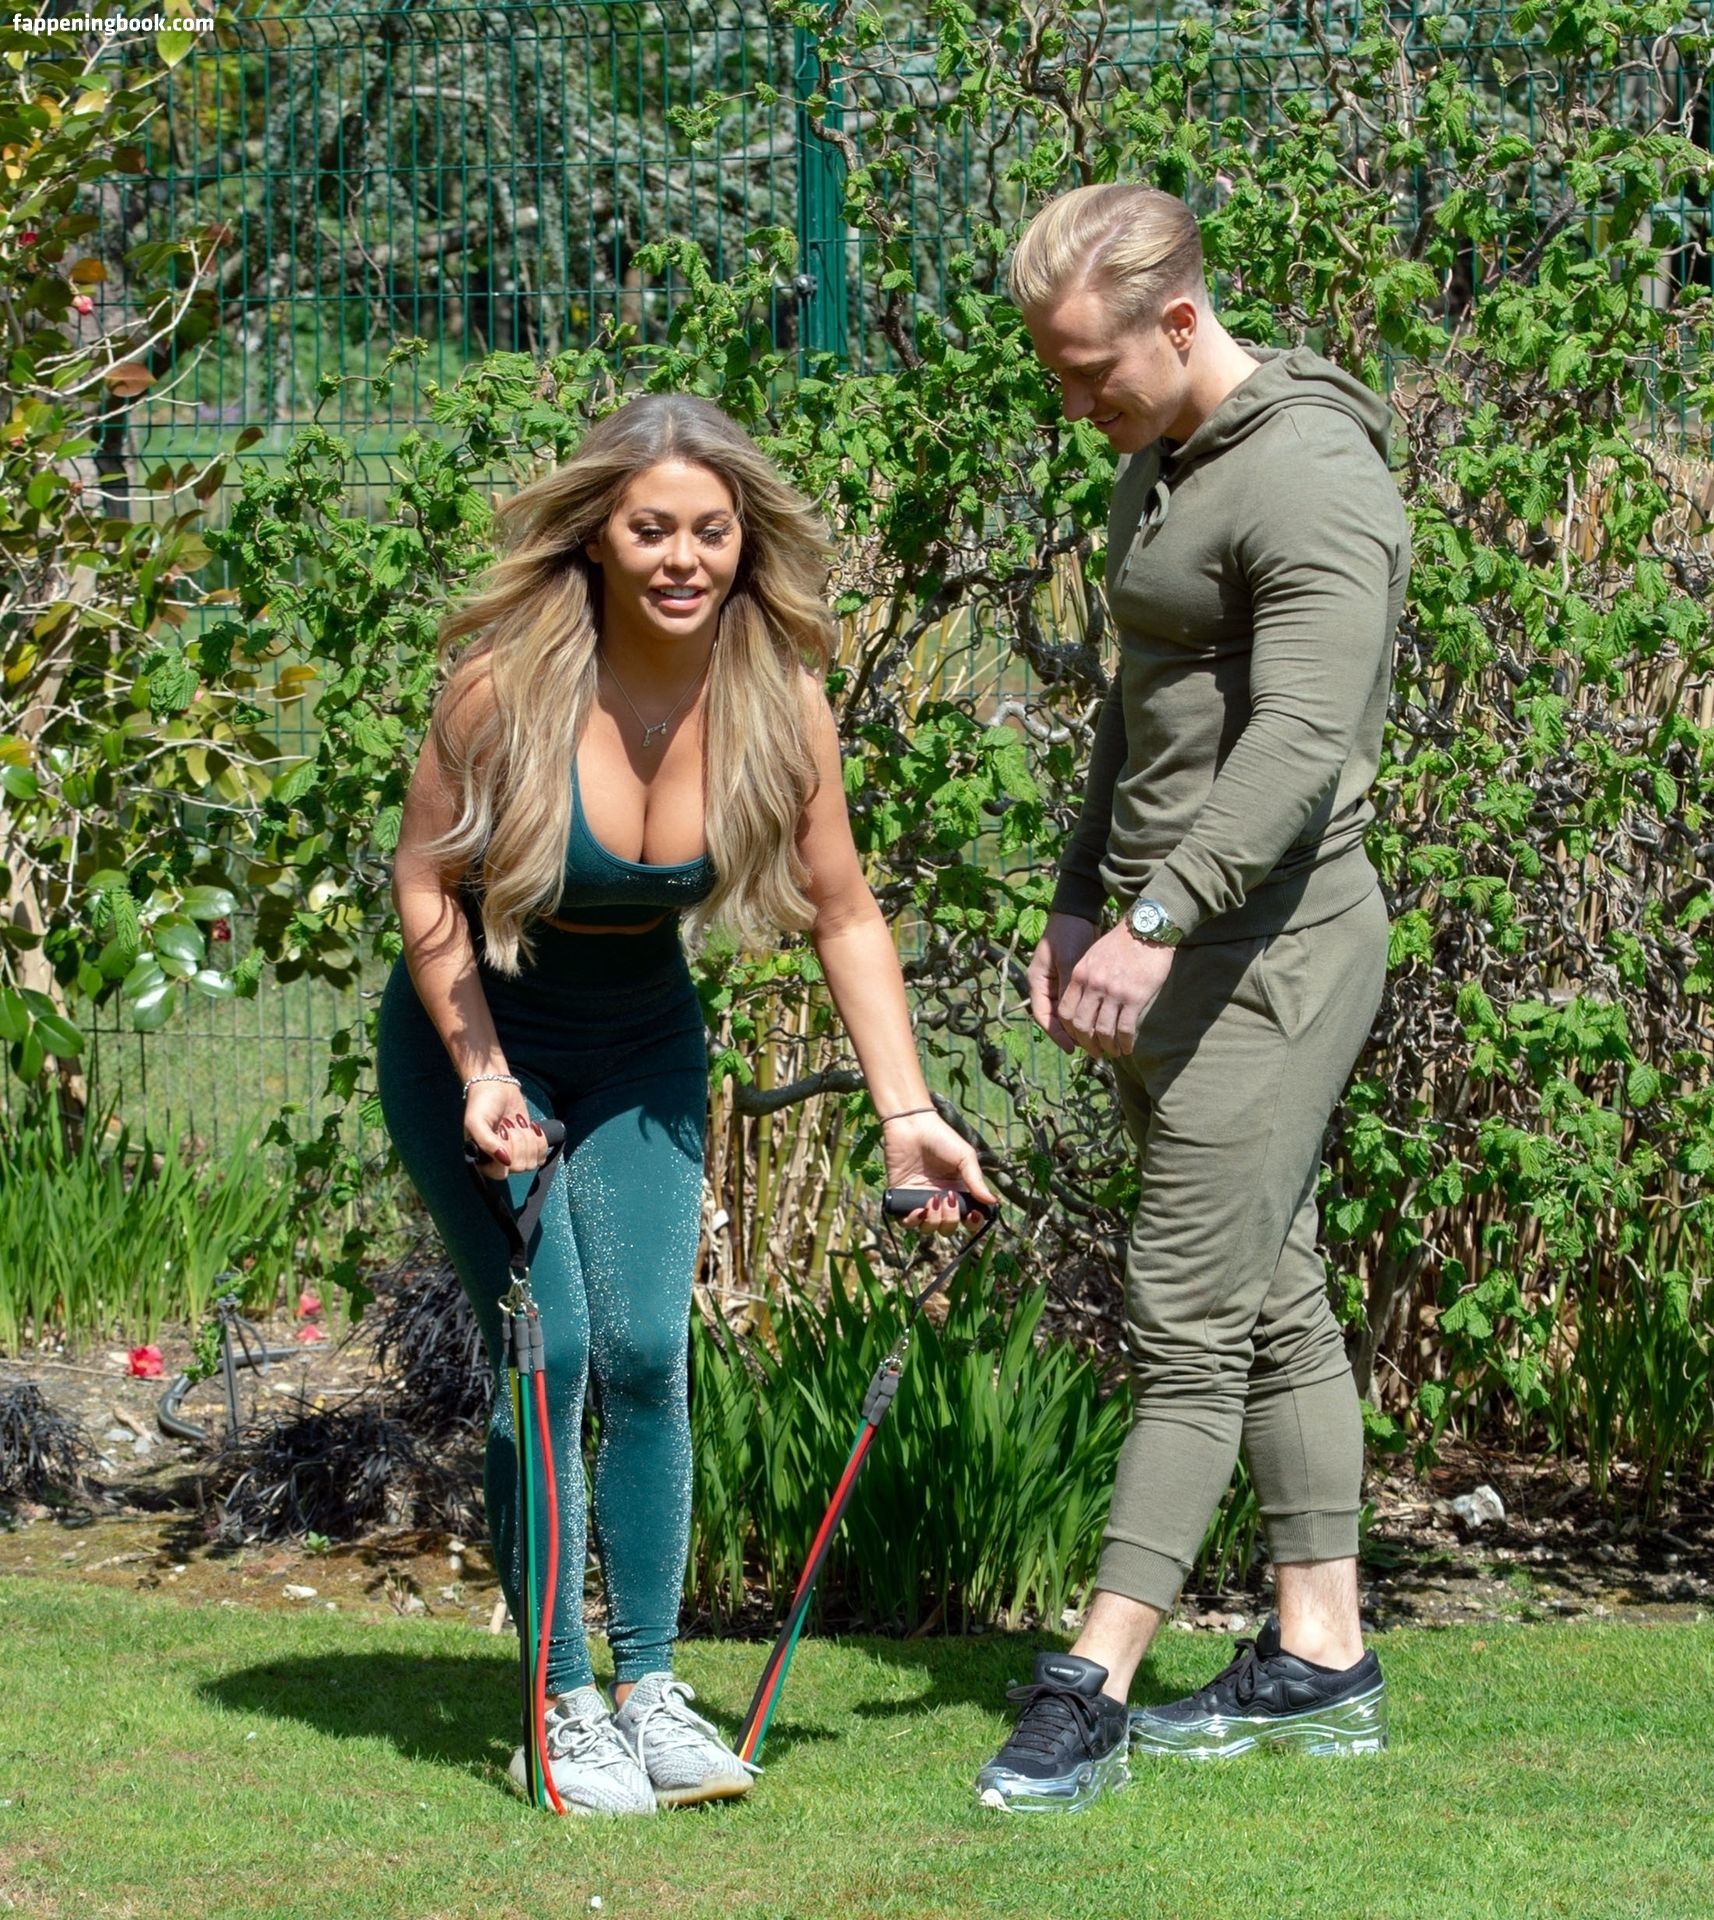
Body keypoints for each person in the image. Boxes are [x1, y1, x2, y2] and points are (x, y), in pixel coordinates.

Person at [376, 392, 998, 1815]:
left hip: (642, 1042)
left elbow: (843, 911)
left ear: (743, 541)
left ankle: (650, 1691)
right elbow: (425, 881)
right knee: (553, 1351)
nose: (683, 558)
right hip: (479, 1040)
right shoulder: (501, 692)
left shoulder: (780, 703)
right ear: (598, 534)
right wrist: (482, 1073)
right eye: (651, 528)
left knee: (652, 1351)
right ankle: (559, 1705)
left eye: (710, 532)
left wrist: (906, 1113)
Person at [975, 184, 1410, 1811]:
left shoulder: (1309, 475)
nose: (1071, 402)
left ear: (1177, 321)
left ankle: (1091, 1680)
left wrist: (1157, 917)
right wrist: (1079, 892)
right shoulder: (1161, 458)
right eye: (1053, 372)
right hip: (1172, 941)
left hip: (1269, 953)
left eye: (1089, 370)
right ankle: (1319, 1656)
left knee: (1184, 1314)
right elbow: (1137, 705)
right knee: (1268, 1292)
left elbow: (1298, 743)